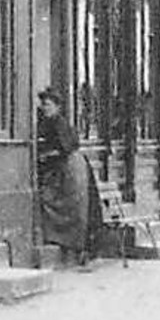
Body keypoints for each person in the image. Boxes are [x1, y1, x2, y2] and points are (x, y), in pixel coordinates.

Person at [36, 89, 100, 268]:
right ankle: (71, 246)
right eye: (42, 105)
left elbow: (65, 147)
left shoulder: (59, 123)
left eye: (47, 105)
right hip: (67, 167)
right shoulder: (49, 122)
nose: (44, 108)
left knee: (67, 206)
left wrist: (45, 155)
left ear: (57, 106)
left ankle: (73, 246)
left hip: (70, 170)